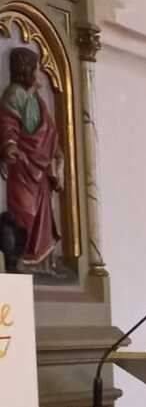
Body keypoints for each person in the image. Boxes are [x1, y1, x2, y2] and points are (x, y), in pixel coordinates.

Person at [0, 46, 61, 271]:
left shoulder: (37, 99)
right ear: (27, 70)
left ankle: (38, 261)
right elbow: (8, 122)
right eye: (36, 68)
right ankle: (18, 257)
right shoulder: (14, 93)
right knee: (25, 210)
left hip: (40, 165)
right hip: (23, 164)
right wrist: (10, 145)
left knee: (41, 213)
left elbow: (49, 130)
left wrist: (56, 152)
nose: (39, 73)